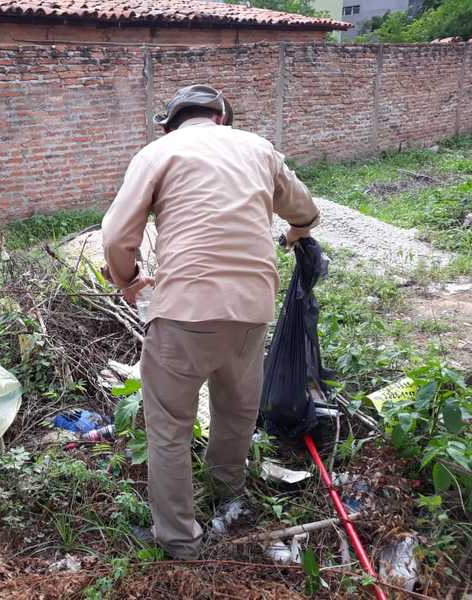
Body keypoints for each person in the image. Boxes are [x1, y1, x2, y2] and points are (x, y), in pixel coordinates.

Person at [101, 84, 320, 559]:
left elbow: (117, 235)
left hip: (183, 311)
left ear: (171, 122)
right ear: (220, 116)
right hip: (251, 309)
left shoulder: (158, 152)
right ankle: (228, 495)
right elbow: (306, 211)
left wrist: (130, 279)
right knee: (236, 410)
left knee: (170, 427)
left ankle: (180, 540)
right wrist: (294, 233)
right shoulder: (259, 149)